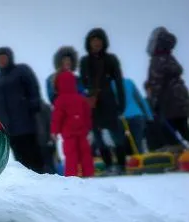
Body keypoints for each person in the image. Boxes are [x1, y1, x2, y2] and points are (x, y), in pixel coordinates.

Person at [0, 47, 44, 173]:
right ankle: (28, 179)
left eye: (4, 57)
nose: (2, 60)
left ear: (10, 58)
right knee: (19, 155)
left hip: (25, 120)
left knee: (32, 152)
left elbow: (33, 87)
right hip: (7, 125)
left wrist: (34, 104)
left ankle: (41, 175)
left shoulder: (21, 70)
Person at [80, 28, 127, 175]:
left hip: (109, 101)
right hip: (93, 103)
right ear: (89, 43)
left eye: (99, 40)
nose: (96, 43)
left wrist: (122, 103)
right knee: (98, 137)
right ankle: (108, 165)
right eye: (93, 40)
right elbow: (83, 82)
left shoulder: (111, 59)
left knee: (117, 135)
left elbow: (119, 82)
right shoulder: (85, 61)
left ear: (104, 42)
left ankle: (121, 165)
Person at [145, 26, 189, 147]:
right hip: (181, 99)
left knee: (168, 131)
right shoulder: (170, 58)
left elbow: (156, 84)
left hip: (168, 102)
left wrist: (152, 102)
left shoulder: (156, 60)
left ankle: (177, 157)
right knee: (183, 128)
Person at [50, 71, 94, 177]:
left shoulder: (60, 100)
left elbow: (57, 118)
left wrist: (54, 131)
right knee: (85, 154)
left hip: (68, 133)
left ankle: (71, 176)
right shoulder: (81, 98)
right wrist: (89, 127)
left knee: (71, 156)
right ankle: (89, 174)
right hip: (82, 131)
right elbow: (87, 115)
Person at [110, 78, 153, 153]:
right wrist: (149, 116)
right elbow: (140, 100)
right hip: (137, 117)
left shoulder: (108, 85)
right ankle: (140, 161)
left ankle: (128, 161)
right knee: (137, 144)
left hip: (121, 120)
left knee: (123, 144)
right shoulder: (129, 82)